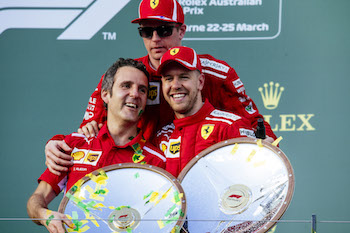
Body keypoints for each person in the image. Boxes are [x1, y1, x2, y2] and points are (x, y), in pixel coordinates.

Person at [45, 0, 276, 176]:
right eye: (147, 31)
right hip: (142, 174)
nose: (155, 38)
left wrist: (269, 154)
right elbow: (89, 132)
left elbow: (255, 126)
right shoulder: (127, 75)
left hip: (205, 174)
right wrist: (57, 144)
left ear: (181, 31)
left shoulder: (215, 73)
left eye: (164, 30)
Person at [27, 58, 166, 233]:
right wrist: (45, 215)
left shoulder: (156, 161)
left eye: (142, 89)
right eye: (126, 86)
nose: (135, 94)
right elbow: (37, 198)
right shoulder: (74, 144)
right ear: (105, 94)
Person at [155, 46, 256, 177]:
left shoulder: (230, 127)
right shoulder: (162, 137)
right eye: (169, 79)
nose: (175, 85)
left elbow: (251, 181)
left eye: (184, 77)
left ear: (200, 82)